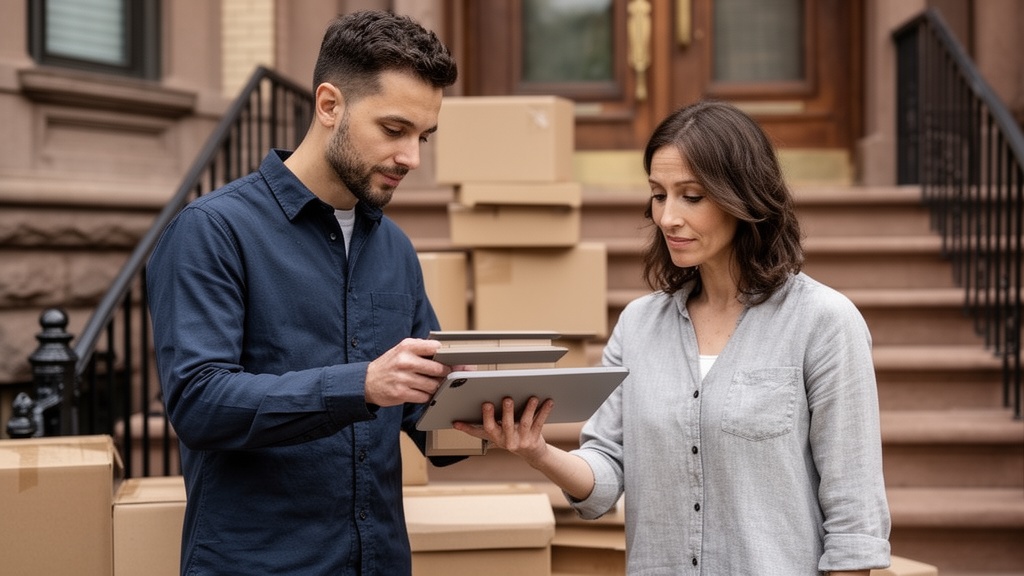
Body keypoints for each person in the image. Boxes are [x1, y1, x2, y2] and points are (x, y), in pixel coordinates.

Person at [454, 100, 892, 575]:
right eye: (658, 195)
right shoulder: (639, 324)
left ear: (743, 197)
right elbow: (604, 476)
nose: (667, 218)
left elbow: (855, 522)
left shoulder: (824, 322)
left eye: (692, 196)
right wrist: (536, 451)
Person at [147, 10, 462, 575]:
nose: (412, 158)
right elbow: (198, 402)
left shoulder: (396, 249)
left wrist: (483, 416)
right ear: (329, 105)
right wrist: (361, 384)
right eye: (394, 130)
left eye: (423, 136)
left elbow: (420, 412)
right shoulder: (212, 232)